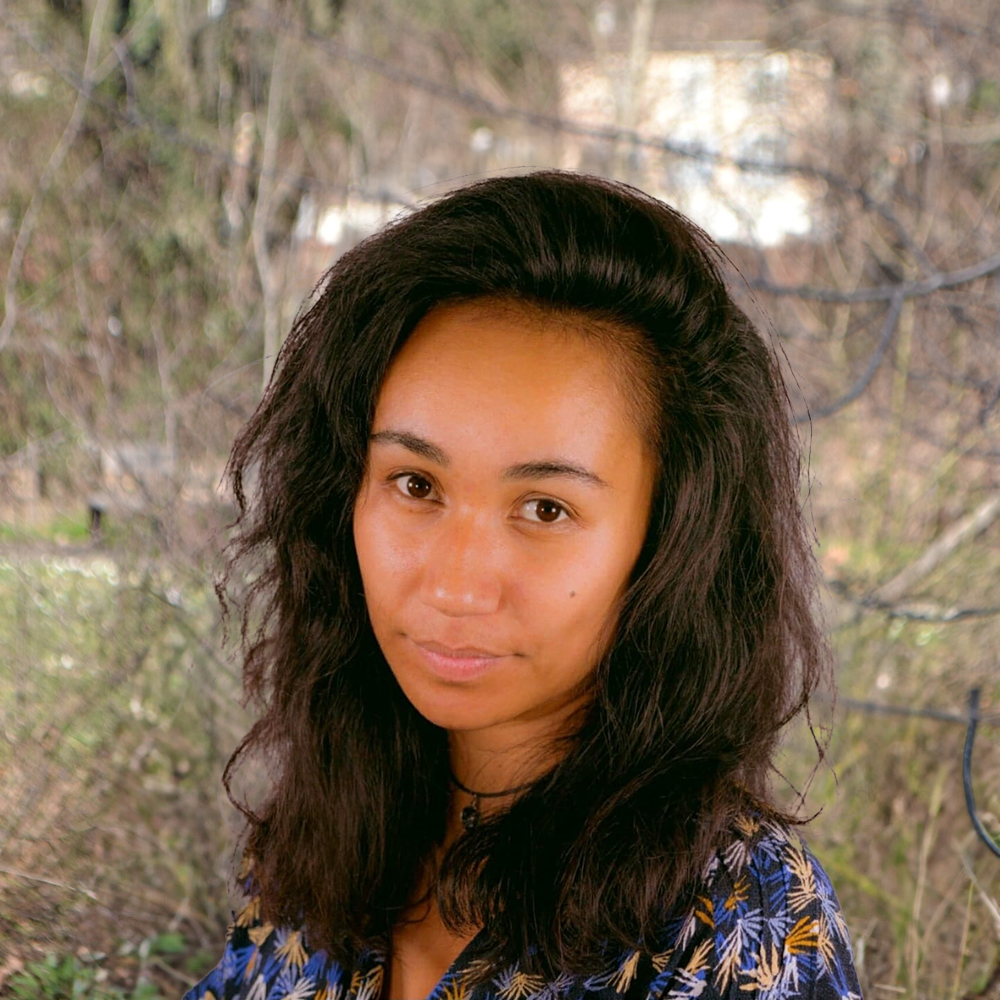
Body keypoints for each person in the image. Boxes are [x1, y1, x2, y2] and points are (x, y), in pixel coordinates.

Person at [184, 171, 863, 1000]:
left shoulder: (739, 923)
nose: (455, 585)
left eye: (546, 508)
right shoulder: (323, 840)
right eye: (415, 485)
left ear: (672, 541)